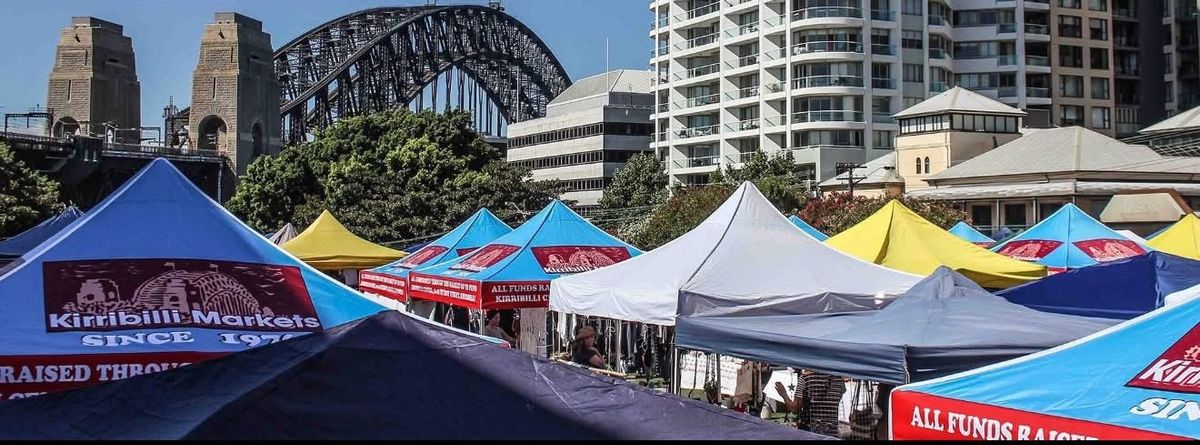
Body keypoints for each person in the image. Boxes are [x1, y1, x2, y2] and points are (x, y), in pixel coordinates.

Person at [774, 369, 845, 436]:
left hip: (811, 432)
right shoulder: (839, 379)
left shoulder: (805, 379)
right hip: (832, 432)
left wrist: (783, 394)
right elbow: (841, 393)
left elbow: (794, 409)